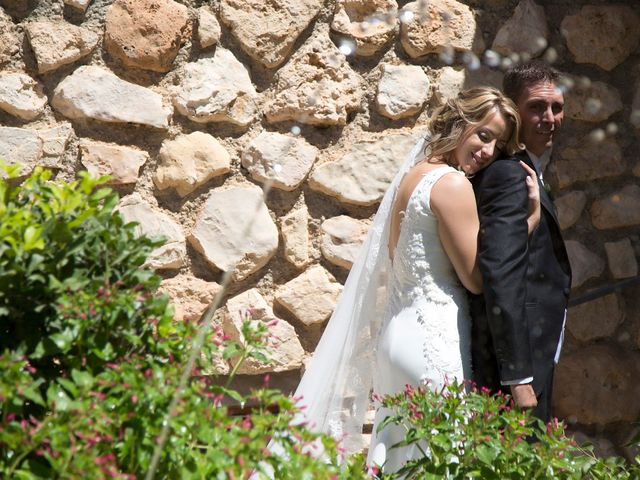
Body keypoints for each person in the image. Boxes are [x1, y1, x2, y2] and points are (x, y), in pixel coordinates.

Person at [290, 86, 539, 474]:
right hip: (432, 339)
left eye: (499, 144)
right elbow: (475, 279)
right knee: (441, 461)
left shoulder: (412, 178)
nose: (489, 152)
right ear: (459, 123)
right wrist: (528, 225)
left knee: (398, 461)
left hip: (396, 337)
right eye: (484, 135)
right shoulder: (452, 185)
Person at [469, 62, 572, 424]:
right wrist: (518, 376)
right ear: (513, 111)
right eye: (537, 107)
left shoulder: (525, 170)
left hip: (536, 352)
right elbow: (500, 271)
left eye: (556, 108)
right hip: (516, 366)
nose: (550, 118)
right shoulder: (509, 175)